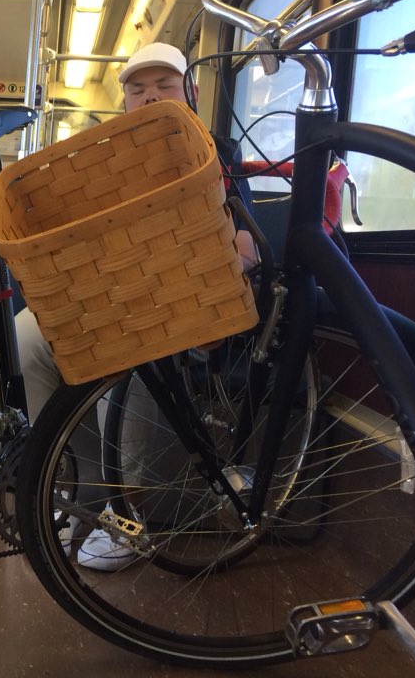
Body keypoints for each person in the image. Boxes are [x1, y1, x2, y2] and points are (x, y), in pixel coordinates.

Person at [14, 41, 258, 570]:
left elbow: (246, 241)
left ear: (188, 95)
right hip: (107, 293)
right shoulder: (96, 161)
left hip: (184, 301)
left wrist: (230, 260)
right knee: (27, 335)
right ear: (122, 101)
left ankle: (129, 514)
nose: (149, 98)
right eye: (137, 89)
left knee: (140, 351)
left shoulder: (212, 151)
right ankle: (77, 492)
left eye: (164, 87)